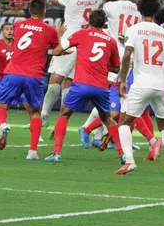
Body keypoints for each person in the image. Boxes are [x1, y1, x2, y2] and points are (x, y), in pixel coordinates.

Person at [80, 0, 154, 155]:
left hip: (113, 55)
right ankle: (91, 130)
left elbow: (96, 18)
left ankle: (99, 133)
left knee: (121, 104)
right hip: (130, 58)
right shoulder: (137, 8)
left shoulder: (110, 6)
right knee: (117, 104)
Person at [115, 0, 164, 176]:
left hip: (142, 83)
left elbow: (127, 55)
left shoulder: (134, 29)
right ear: (156, 11)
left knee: (123, 122)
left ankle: (129, 161)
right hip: (161, 85)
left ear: (140, 10)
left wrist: (122, 80)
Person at [44, 9, 120, 163]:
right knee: (107, 119)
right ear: (104, 23)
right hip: (101, 87)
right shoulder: (111, 41)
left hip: (81, 84)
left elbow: (57, 51)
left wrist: (59, 36)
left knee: (64, 114)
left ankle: (56, 153)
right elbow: (116, 68)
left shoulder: (80, 34)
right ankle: (123, 154)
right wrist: (102, 66)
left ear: (89, 22)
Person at [0, 0, 63, 160]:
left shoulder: (18, 25)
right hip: (34, 75)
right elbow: (58, 51)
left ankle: (3, 125)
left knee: (1, 105)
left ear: (29, 10)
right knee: (35, 111)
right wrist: (59, 36)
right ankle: (32, 152)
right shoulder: (49, 30)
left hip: (13, 72)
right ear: (44, 12)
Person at [41, 0, 103, 132]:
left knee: (57, 75)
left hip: (69, 40)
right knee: (69, 80)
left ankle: (45, 113)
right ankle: (62, 120)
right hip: (85, 44)